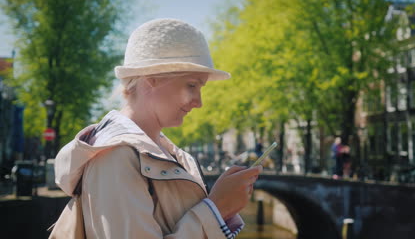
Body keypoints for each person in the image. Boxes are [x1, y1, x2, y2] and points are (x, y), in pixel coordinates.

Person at [54, 19, 262, 238]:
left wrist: (221, 207)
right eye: (191, 85)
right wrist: (216, 210)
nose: (199, 102)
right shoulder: (116, 157)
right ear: (151, 78)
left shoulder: (166, 154)